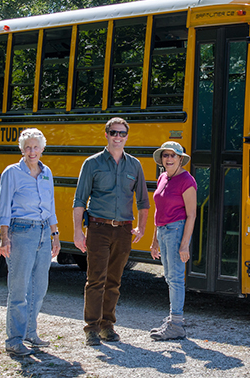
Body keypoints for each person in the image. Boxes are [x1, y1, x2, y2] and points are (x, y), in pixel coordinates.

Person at [73, 117, 150, 346]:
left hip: (124, 230)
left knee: (114, 281)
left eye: (122, 133)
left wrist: (142, 228)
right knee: (95, 279)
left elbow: (144, 201)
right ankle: (91, 328)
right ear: (106, 134)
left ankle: (108, 325)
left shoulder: (134, 165)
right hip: (98, 228)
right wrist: (78, 232)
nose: (118, 137)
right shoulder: (92, 163)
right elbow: (79, 200)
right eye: (114, 133)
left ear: (127, 136)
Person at [0, 128, 60, 356]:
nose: (32, 152)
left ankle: (30, 333)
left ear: (42, 149)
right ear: (22, 149)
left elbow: (50, 205)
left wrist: (55, 234)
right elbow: (3, 208)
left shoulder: (46, 172)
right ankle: (14, 339)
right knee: (19, 288)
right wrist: (4, 238)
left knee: (39, 287)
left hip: (44, 231)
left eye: (36, 147)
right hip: (21, 231)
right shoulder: (11, 173)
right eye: (28, 147)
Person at [149, 141, 197, 341]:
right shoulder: (162, 178)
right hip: (163, 231)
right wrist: (154, 240)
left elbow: (192, 214)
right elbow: (158, 211)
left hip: (177, 231)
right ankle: (172, 320)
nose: (168, 159)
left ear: (180, 159)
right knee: (169, 277)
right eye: (165, 155)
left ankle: (176, 324)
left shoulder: (187, 180)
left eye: (173, 155)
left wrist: (185, 244)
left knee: (176, 278)